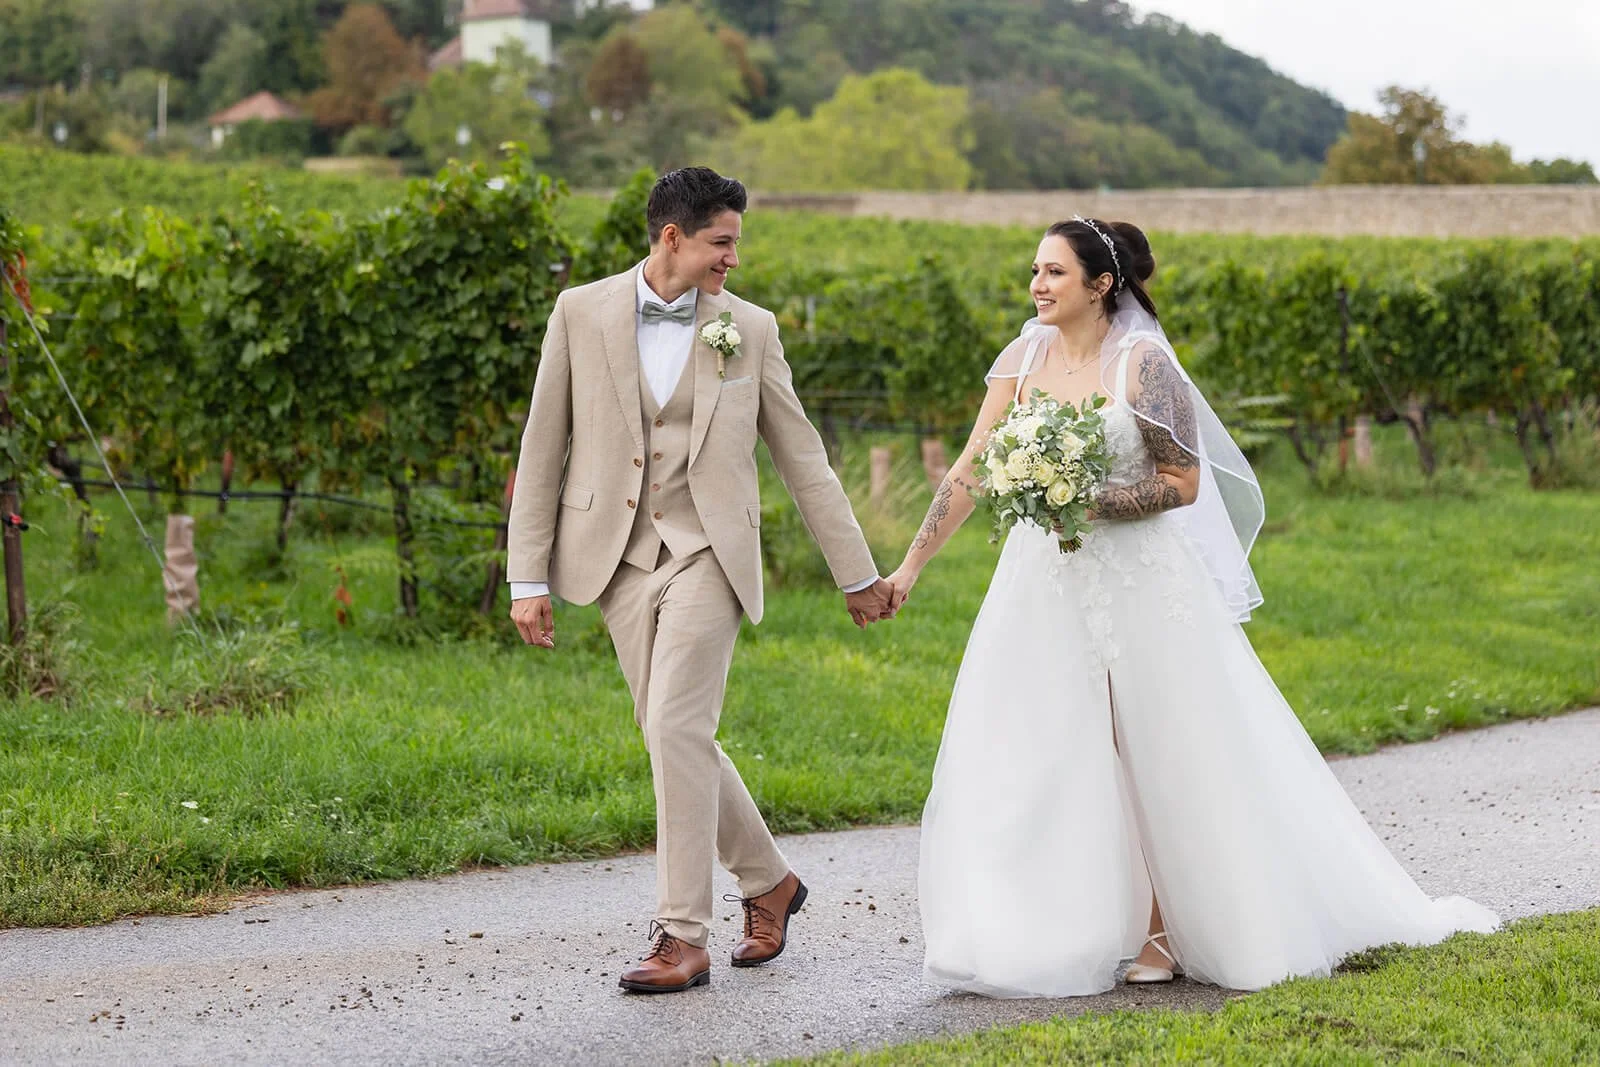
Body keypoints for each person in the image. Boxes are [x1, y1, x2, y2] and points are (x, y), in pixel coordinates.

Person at [886, 217, 1498, 997]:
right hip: (1042, 580)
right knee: (1039, 740)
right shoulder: (1021, 360)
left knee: (1153, 743)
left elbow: (1182, 481)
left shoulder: (1143, 364)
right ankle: (1035, 925)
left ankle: (1163, 928)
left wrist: (1086, 499)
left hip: (1137, 579)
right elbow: (971, 469)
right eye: (1034, 271)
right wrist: (909, 567)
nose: (1037, 285)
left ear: (1101, 284)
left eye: (1054, 272)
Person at [506, 167, 897, 994]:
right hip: (615, 558)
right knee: (668, 732)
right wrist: (525, 576)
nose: (734, 259)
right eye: (722, 242)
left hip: (711, 552)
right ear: (672, 237)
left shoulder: (749, 328)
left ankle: (682, 935)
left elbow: (804, 459)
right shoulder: (579, 311)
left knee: (677, 723)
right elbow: (542, 446)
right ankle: (770, 881)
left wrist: (856, 573)